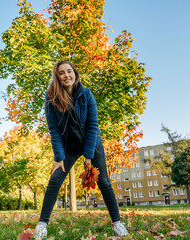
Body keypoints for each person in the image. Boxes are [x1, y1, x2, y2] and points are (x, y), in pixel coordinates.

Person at [35, 60, 128, 238]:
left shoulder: (86, 94)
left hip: (91, 144)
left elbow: (93, 125)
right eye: (61, 73)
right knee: (55, 180)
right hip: (68, 147)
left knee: (104, 183)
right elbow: (54, 130)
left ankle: (117, 222)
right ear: (57, 77)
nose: (66, 75)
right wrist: (58, 158)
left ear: (75, 74)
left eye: (69, 71)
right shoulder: (51, 98)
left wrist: (88, 156)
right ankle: (42, 225)